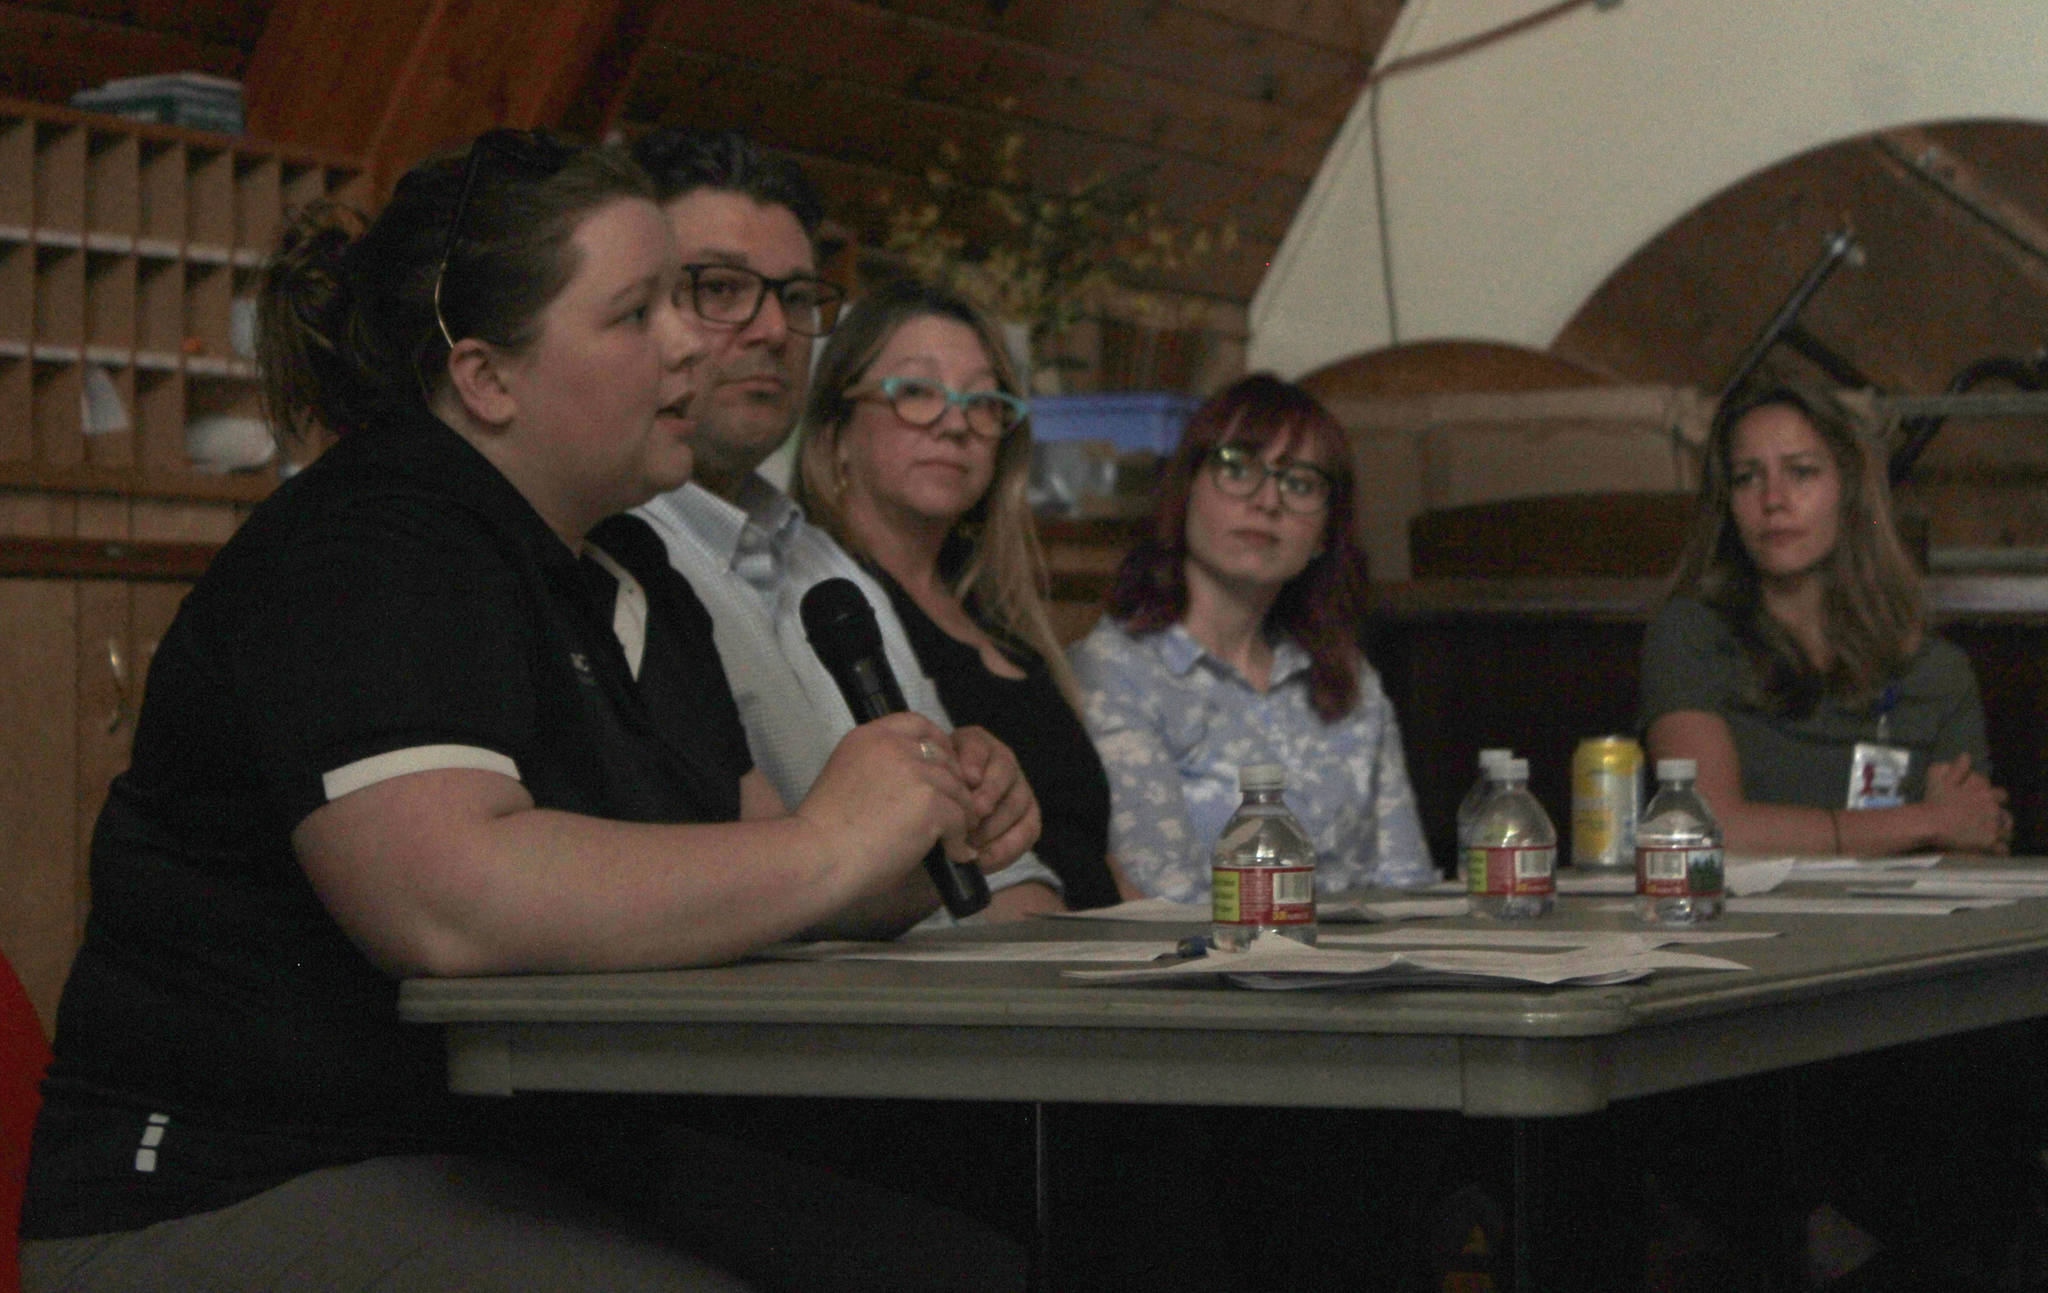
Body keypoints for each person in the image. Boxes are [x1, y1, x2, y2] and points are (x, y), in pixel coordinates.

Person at [18, 130, 1026, 1293]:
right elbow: (447, 901)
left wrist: (909, 838)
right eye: (638, 312)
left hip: (515, 1155)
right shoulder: (369, 546)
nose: (693, 343)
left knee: (960, 1260)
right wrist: (826, 844)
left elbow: (748, 876)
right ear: (488, 376)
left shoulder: (629, 565)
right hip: (234, 1181)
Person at [627, 127, 1061, 918]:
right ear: (634, 303)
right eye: (722, 287)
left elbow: (986, 864)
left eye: (795, 298)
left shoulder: (821, 564)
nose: (771, 330)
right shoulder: (616, 550)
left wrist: (987, 806)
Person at [790, 277, 1120, 911]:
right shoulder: (831, 615)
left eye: (983, 402)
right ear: (835, 432)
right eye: (916, 392)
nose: (956, 425)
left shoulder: (997, 614)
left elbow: (1086, 845)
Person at [1068, 372, 1435, 901]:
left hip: (1357, 975)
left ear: (1324, 534)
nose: (1268, 501)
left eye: (1301, 483)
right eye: (1237, 469)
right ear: (1185, 491)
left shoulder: (1349, 681)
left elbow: (1407, 889)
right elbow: (1162, 902)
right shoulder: (1115, 672)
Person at [1641, 381, 2011, 856]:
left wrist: (1947, 827)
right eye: (1747, 477)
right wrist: (1924, 822)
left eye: (1801, 472)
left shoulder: (1936, 670)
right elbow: (1710, 828)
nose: (1773, 499)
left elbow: (1972, 833)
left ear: (1849, 491)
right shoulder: (1691, 633)